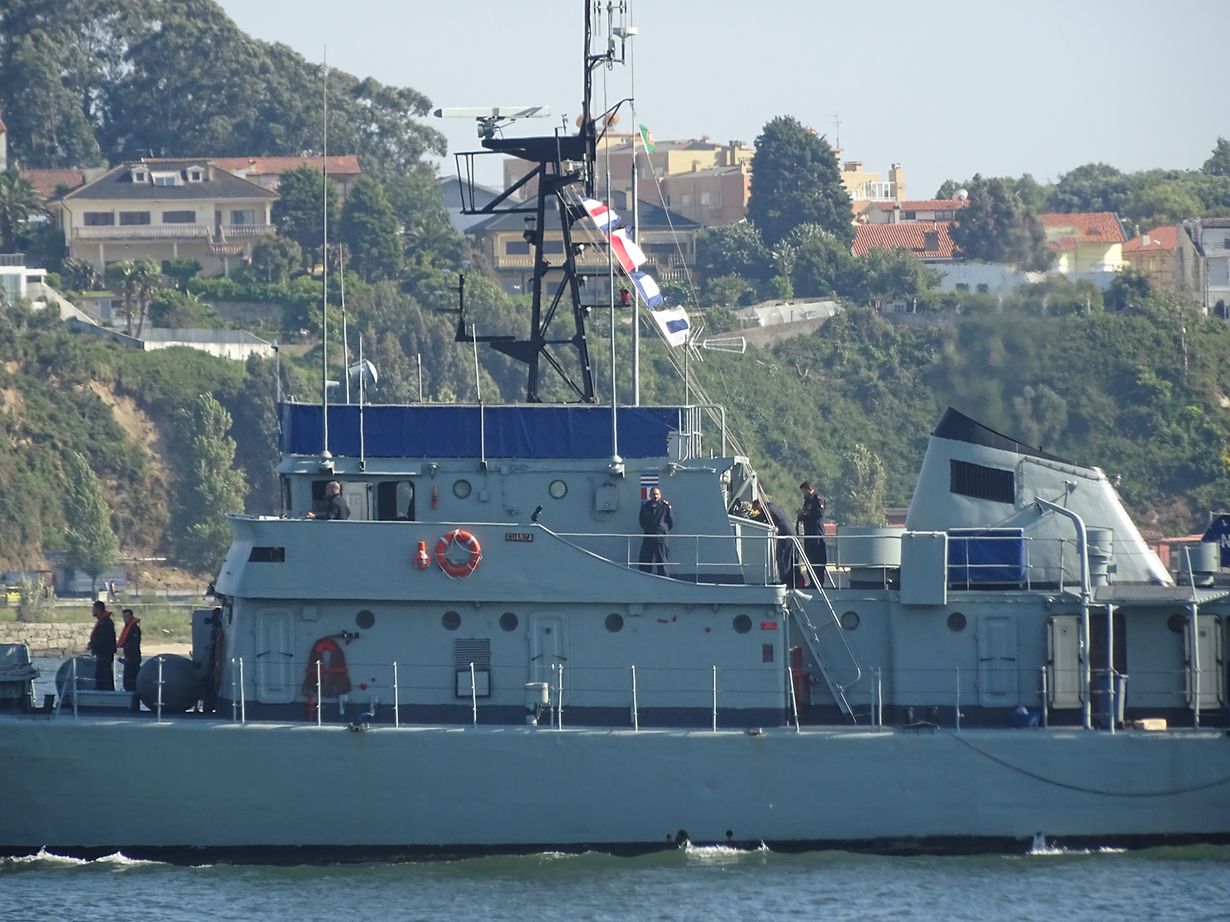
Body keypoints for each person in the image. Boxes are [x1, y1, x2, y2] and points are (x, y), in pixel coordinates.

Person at [797, 481, 828, 587]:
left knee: (817, 558)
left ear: (809, 489)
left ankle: (819, 582)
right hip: (809, 533)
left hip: (816, 533)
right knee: (809, 557)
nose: (803, 494)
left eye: (804, 492)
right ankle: (812, 582)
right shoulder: (807, 500)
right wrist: (801, 515)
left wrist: (805, 513)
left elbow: (819, 513)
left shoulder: (817, 498)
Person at [638, 486, 674, 576]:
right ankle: (644, 578)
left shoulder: (665, 507)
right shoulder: (645, 507)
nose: (655, 496)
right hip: (648, 537)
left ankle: (664, 579)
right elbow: (642, 521)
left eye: (657, 494)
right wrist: (648, 529)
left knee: (662, 561)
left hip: (660, 538)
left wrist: (663, 530)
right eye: (653, 494)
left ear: (660, 495)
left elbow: (670, 522)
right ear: (650, 495)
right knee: (645, 561)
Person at [87, 600, 117, 691]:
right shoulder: (102, 621)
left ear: (98, 609)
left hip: (105, 654)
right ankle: (102, 690)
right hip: (101, 654)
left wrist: (93, 645)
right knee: (100, 675)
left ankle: (106, 692)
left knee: (104, 675)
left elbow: (103, 638)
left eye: (93, 608)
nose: (92, 611)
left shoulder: (106, 622)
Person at [118, 608, 142, 699]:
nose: (125, 619)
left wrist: (128, 657)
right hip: (128, 658)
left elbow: (134, 644)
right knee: (127, 681)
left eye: (127, 616)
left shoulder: (135, 629)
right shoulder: (128, 628)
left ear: (131, 617)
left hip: (133, 659)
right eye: (124, 617)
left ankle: (134, 699)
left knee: (131, 681)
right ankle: (129, 697)